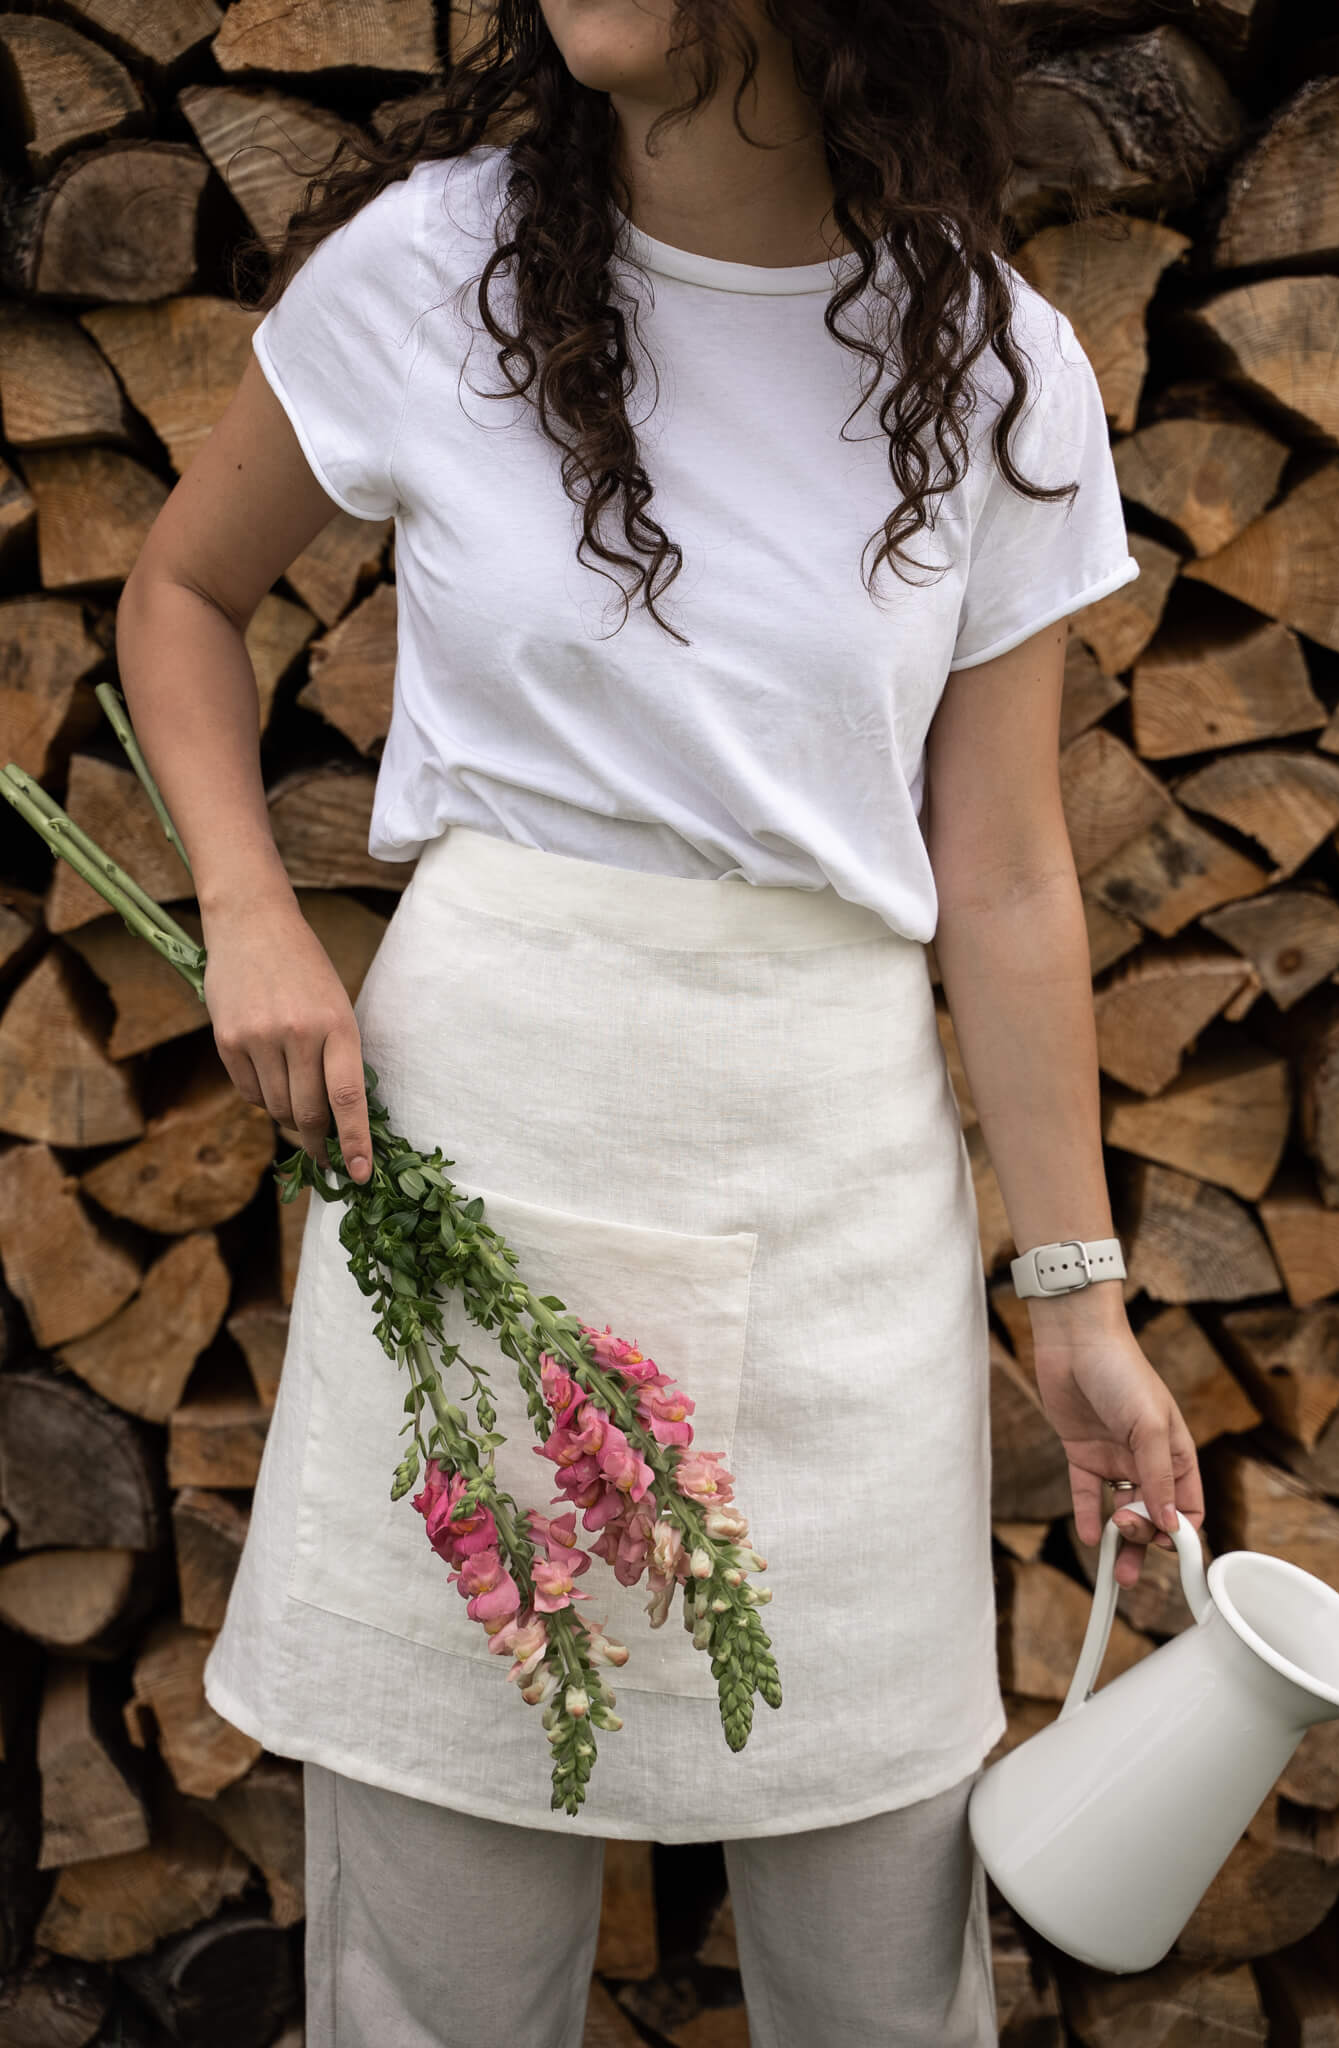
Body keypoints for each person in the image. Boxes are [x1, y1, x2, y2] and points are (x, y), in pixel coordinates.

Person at [114, 2, 1207, 2042]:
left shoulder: (984, 359)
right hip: (478, 1151)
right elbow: (178, 590)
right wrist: (251, 915)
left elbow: (1008, 872)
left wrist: (1077, 1301)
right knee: (430, 1968)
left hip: (835, 1196)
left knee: (884, 1967)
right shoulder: (433, 271)